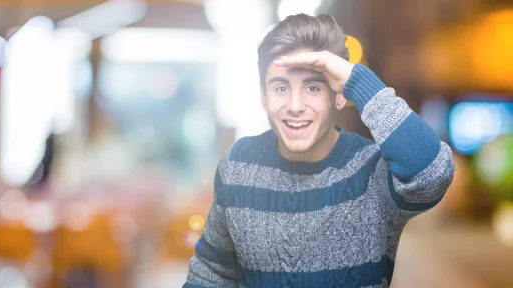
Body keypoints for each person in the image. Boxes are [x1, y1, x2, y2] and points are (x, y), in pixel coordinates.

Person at [183, 13, 454, 287]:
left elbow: (432, 174)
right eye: (281, 87)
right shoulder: (238, 165)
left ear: (338, 95)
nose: (296, 105)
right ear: (263, 96)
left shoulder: (371, 171)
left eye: (313, 87)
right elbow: (212, 272)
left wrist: (356, 80)